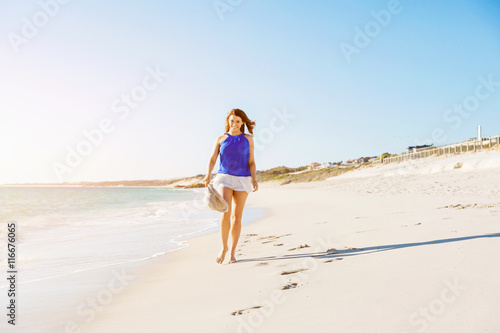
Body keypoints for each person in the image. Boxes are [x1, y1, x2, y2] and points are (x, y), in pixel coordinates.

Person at [201, 109, 259, 264]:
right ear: (228, 121)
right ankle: (224, 247)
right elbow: (213, 158)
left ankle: (232, 253)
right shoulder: (221, 138)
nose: (234, 124)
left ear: (242, 123)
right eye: (232, 121)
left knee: (237, 217)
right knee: (225, 211)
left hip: (243, 179)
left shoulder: (248, 139)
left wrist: (254, 179)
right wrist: (208, 174)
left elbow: (251, 162)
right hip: (225, 177)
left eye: (238, 121)